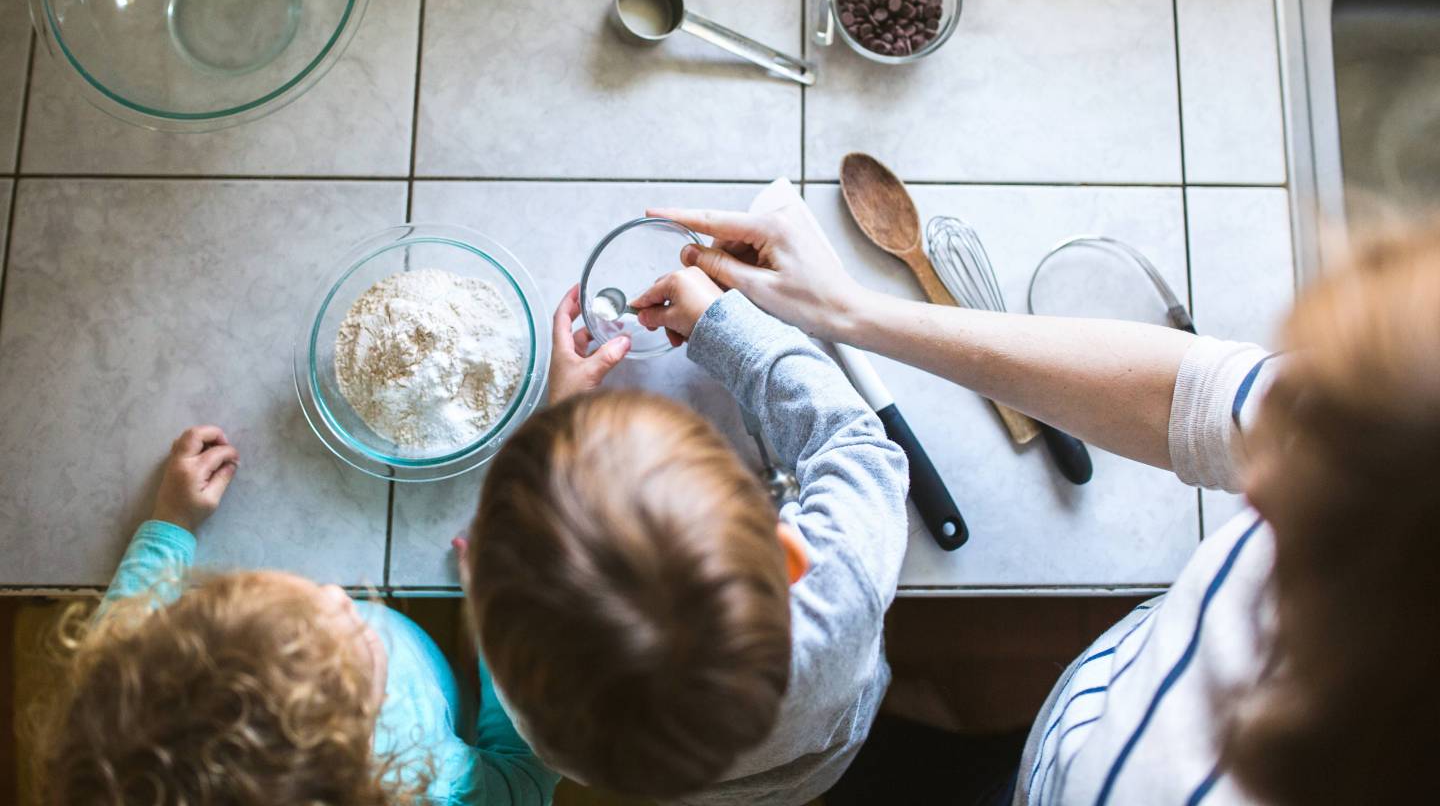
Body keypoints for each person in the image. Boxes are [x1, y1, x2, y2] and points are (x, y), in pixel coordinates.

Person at [641, 204, 1440, 806]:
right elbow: (1201, 394)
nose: (1257, 482)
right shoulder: (1400, 450)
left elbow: (855, 458)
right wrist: (848, 310)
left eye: (1312, 497)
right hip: (1063, 734)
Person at [463, 281, 909, 805]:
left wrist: (556, 425)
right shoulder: (839, 592)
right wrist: (726, 328)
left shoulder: (542, 714)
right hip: (824, 757)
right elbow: (851, 442)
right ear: (789, 555)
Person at [37, 425, 559, 806]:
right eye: (352, 636)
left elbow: (130, 612)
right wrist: (496, 615)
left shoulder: (126, 700)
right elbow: (525, 764)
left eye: (301, 606)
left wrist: (172, 522)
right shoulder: (432, 785)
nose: (335, 593)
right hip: (454, 696)